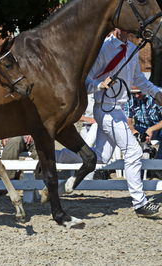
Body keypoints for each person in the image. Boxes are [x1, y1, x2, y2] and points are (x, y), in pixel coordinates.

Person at [59, 29, 162, 218]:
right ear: (117, 27)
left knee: (101, 157)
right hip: (106, 109)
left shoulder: (132, 48)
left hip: (118, 110)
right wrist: (98, 85)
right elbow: (85, 77)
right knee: (134, 151)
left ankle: (54, 156)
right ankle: (140, 204)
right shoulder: (103, 48)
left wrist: (156, 93)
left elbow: (139, 79)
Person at [127, 86, 162, 159]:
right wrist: (134, 132)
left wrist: (151, 130)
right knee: (128, 136)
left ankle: (158, 163)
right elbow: (128, 119)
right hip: (140, 128)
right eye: (133, 93)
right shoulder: (127, 96)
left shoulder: (158, 93)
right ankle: (138, 164)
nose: (136, 95)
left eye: (139, 92)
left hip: (158, 127)